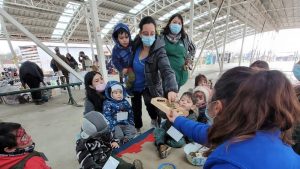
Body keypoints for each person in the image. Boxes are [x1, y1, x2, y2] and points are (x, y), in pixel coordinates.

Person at [166, 70, 300, 169]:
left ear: (218, 107)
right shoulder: (275, 139)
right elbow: (208, 132)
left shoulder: (227, 162)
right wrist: (178, 119)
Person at [130, 16, 178, 133]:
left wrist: (172, 88)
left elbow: (167, 70)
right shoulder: (135, 46)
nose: (149, 36)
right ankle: (137, 128)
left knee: (150, 106)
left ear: (155, 33)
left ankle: (154, 120)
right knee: (136, 109)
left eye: (152, 33)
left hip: (149, 86)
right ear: (141, 34)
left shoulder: (159, 50)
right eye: (145, 33)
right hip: (134, 86)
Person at [76, 111, 143, 169]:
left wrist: (114, 141)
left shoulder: (103, 131)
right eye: (99, 135)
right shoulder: (82, 144)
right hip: (96, 164)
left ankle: (132, 168)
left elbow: (110, 137)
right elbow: (85, 161)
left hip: (108, 156)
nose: (102, 135)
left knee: (123, 165)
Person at [154, 92, 197, 159]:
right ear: (179, 101)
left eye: (188, 102)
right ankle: (161, 144)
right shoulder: (173, 108)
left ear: (193, 106)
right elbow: (162, 114)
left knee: (181, 143)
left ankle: (166, 141)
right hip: (167, 128)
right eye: (182, 100)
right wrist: (164, 109)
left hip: (177, 134)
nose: (184, 102)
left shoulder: (192, 117)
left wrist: (191, 141)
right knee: (156, 130)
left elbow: (191, 129)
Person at [161, 13, 196, 88]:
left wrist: (189, 59)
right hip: (164, 75)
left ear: (181, 26)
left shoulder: (185, 38)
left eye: (179, 23)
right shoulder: (162, 37)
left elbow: (193, 48)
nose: (176, 25)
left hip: (180, 74)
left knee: (174, 97)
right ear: (169, 23)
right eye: (174, 22)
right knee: (163, 97)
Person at [112, 23, 135, 92]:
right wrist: (121, 69)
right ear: (117, 39)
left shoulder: (132, 44)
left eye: (126, 37)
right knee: (132, 77)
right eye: (121, 38)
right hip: (126, 68)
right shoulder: (116, 49)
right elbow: (115, 61)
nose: (124, 40)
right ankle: (126, 89)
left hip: (134, 65)